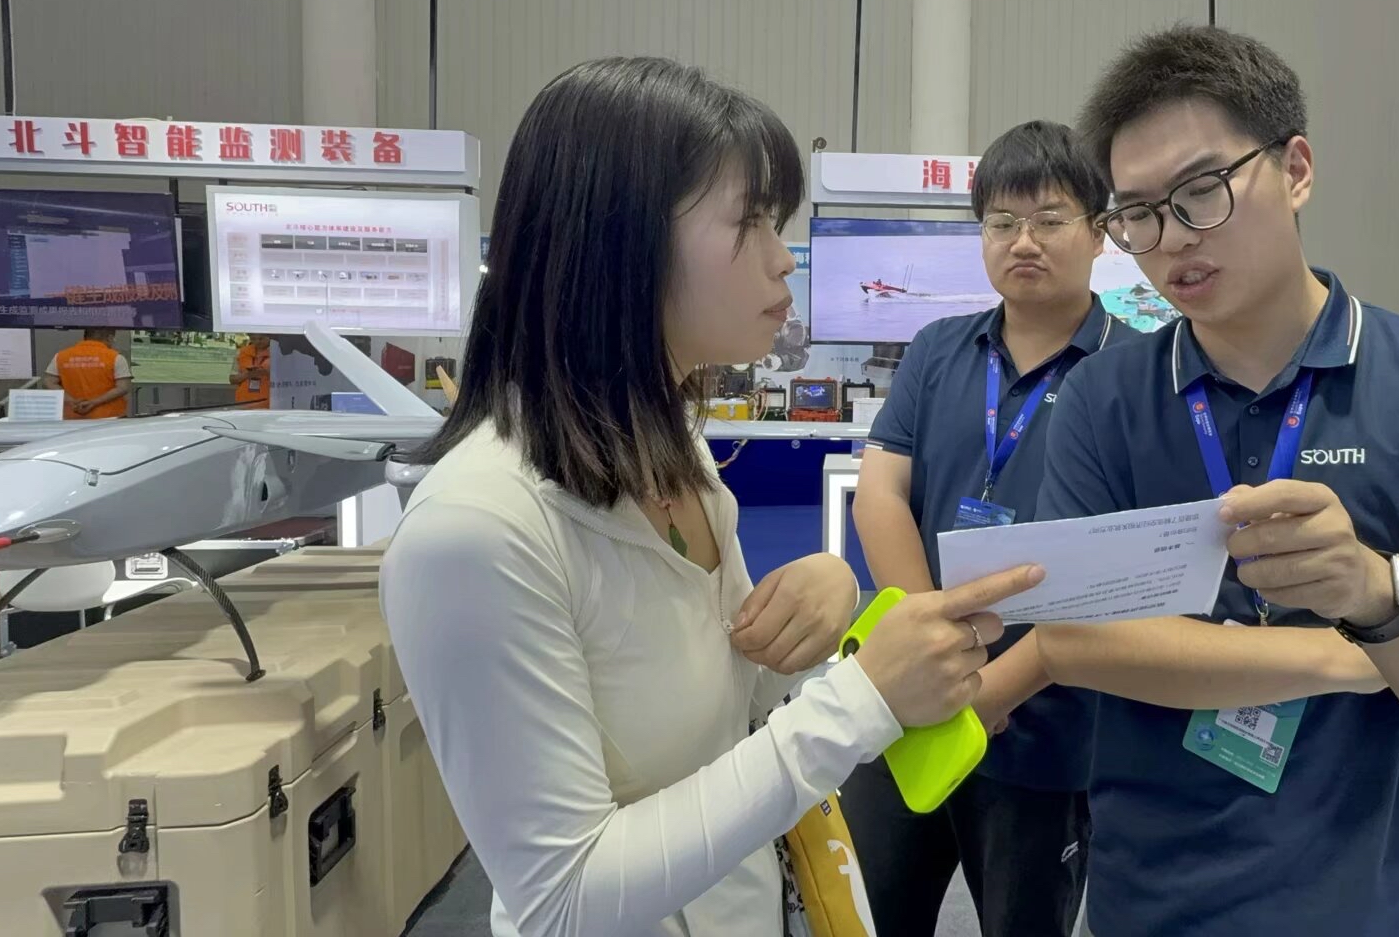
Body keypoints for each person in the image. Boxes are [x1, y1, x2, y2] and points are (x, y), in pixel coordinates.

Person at [378, 57, 1043, 937]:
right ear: (624, 241)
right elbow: (561, 901)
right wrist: (860, 702)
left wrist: (820, 609)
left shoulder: (674, 451)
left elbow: (731, 723)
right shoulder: (474, 534)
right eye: (750, 221)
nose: (782, 259)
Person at [979, 26, 1399, 937]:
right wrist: (1374, 648)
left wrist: (1373, 591)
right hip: (1159, 898)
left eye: (1202, 191)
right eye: (1138, 214)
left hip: (1393, 904)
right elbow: (1074, 641)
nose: (1171, 240)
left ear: (1295, 169)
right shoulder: (1104, 399)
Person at [846, 121, 1143, 937]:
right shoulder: (938, 350)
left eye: (1049, 220)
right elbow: (881, 493)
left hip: (1046, 730)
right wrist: (934, 648)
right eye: (1002, 222)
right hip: (906, 704)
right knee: (866, 916)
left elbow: (1126, 566)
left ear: (1099, 231)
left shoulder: (1138, 373)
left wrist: (994, 685)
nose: (1024, 241)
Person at [42, 328, 132, 419]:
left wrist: (71, 401)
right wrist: (94, 402)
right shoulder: (115, 357)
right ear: (110, 338)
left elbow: (48, 382)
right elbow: (123, 387)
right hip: (109, 417)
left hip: (72, 417)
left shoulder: (61, 356)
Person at [231, 334, 273, 410]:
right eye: (253, 339)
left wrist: (267, 373)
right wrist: (248, 374)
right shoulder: (241, 353)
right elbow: (232, 379)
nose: (257, 341)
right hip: (244, 404)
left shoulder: (280, 354)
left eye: (261, 338)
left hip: (269, 406)